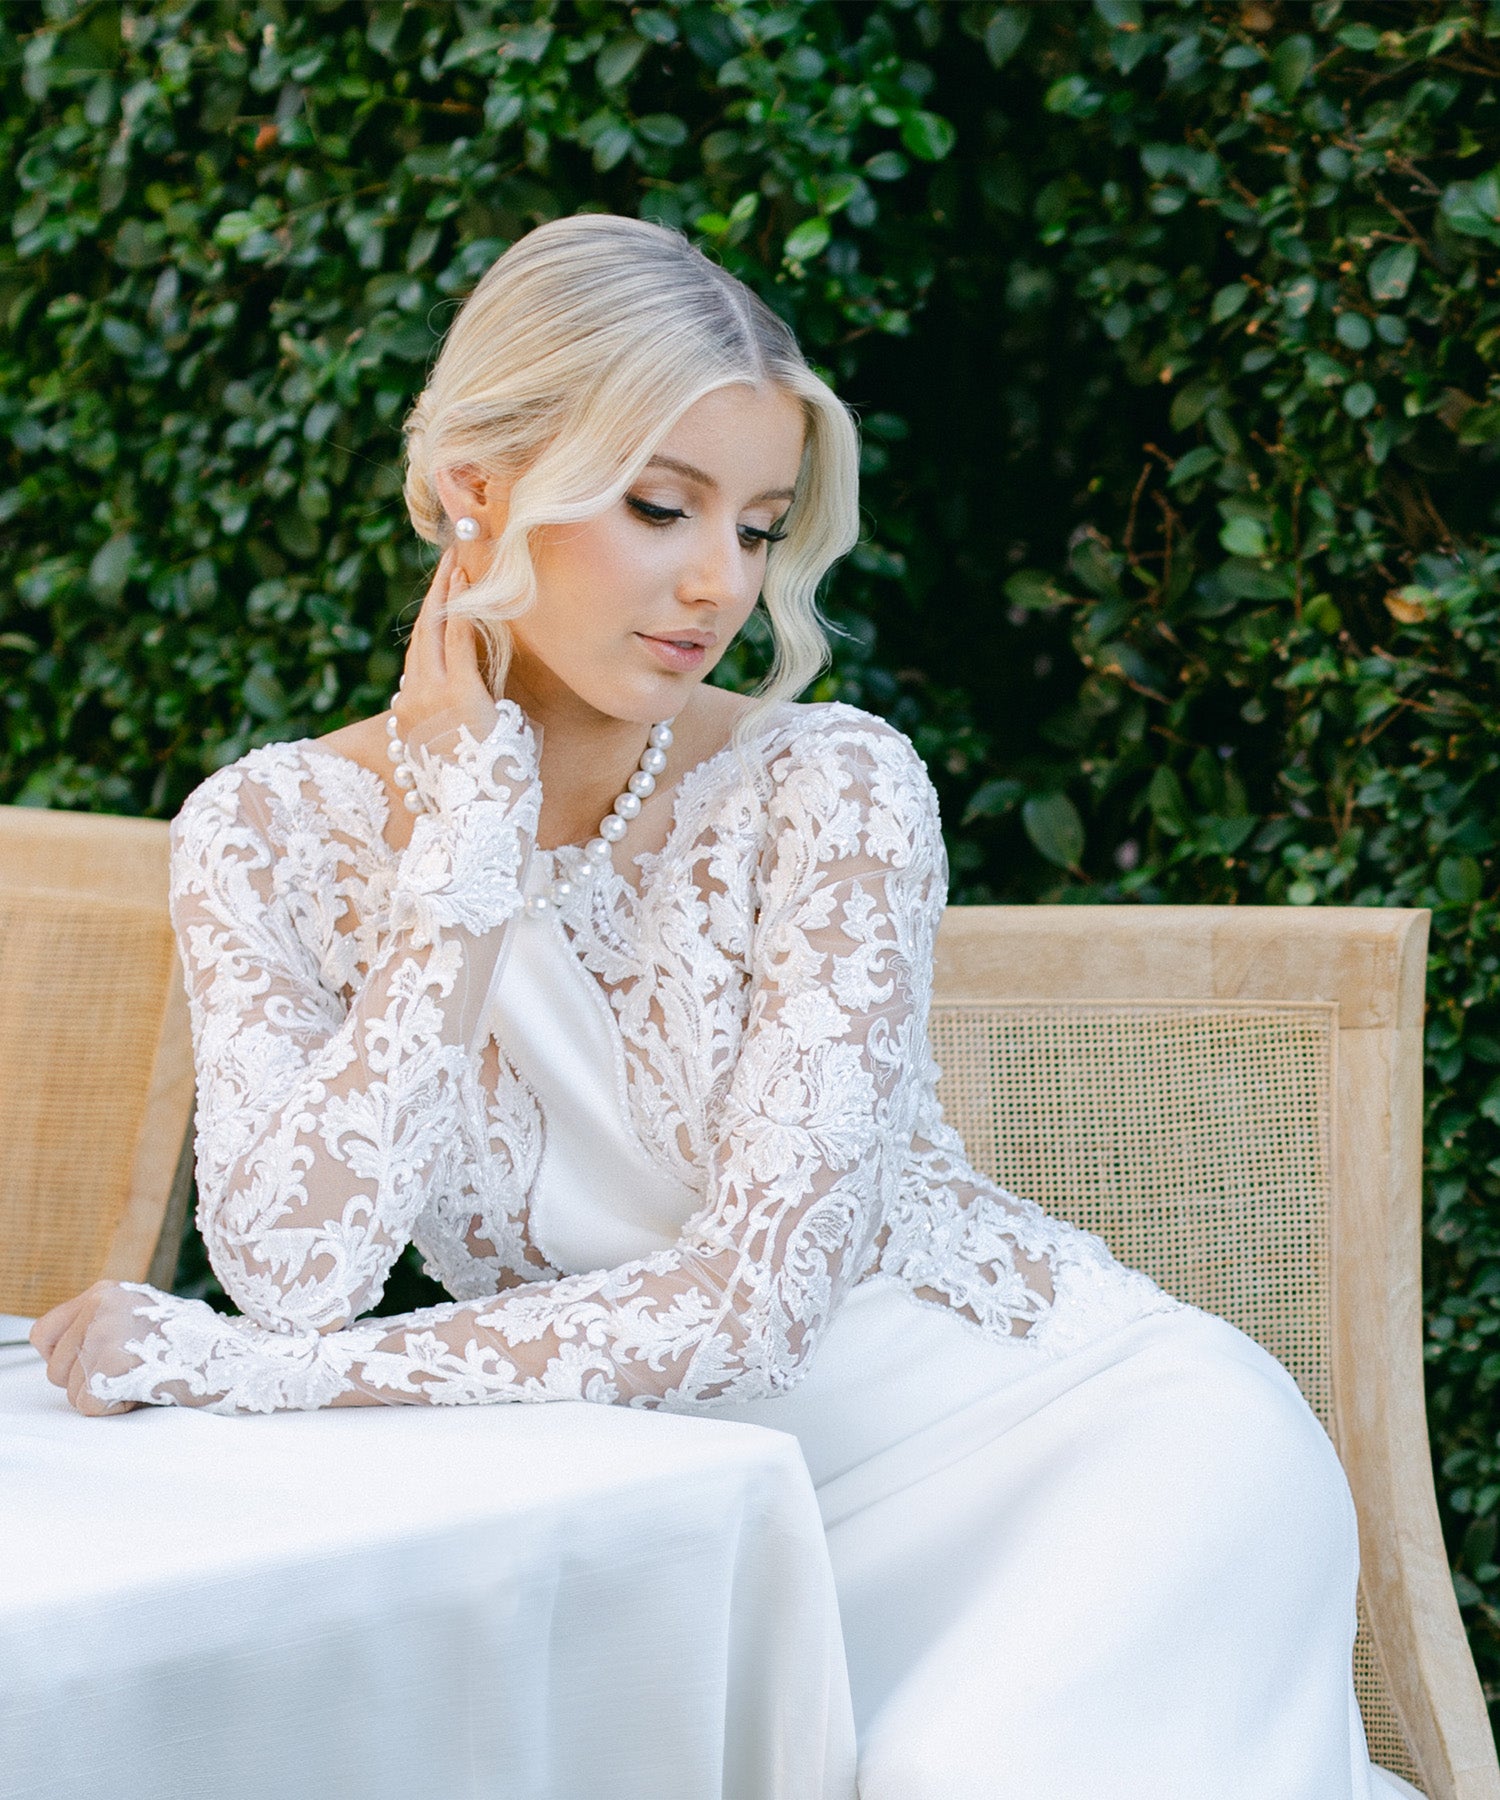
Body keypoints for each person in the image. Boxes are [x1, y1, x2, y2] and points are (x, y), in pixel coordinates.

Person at [31, 214, 1412, 1799]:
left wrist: (252, 1376)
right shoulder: (266, 829)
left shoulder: (831, 784)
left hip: (1089, 1459)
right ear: (479, 491)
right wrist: (465, 863)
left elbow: (756, 1306)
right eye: (659, 507)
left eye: (757, 529)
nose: (716, 585)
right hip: (703, 1537)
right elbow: (290, 1271)